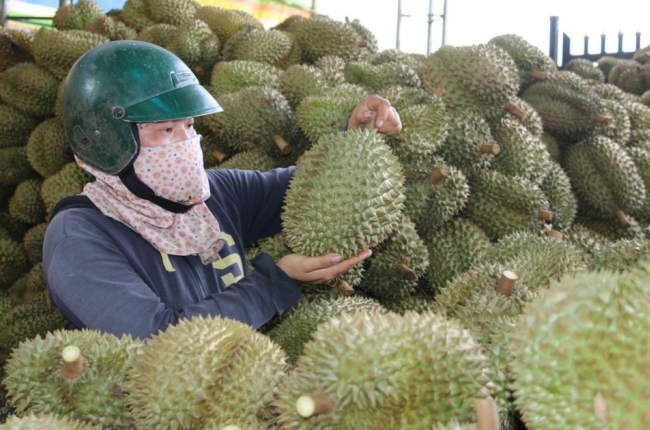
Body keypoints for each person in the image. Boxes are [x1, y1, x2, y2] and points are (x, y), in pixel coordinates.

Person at [43, 40, 402, 340]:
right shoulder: (79, 238)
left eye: (188, 124)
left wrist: (355, 137)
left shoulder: (216, 194)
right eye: (165, 130)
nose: (186, 141)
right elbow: (157, 341)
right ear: (106, 143)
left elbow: (308, 188)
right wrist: (274, 282)